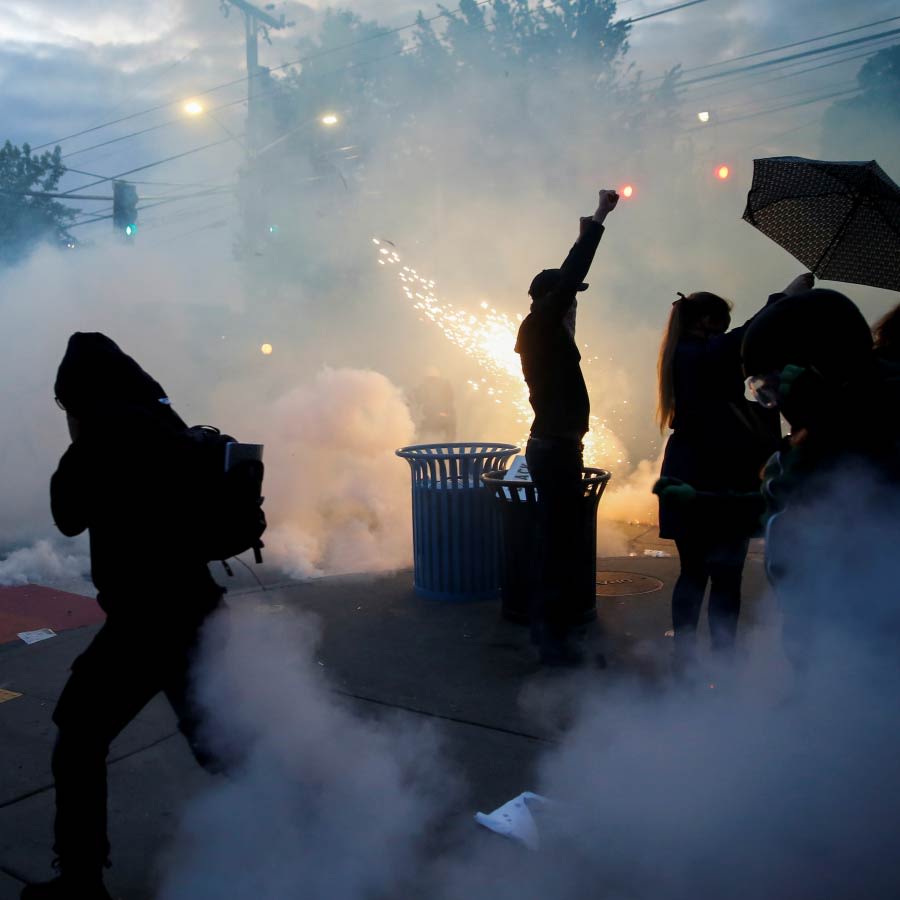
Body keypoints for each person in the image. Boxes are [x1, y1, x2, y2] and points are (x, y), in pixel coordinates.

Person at [23, 333, 225, 900]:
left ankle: (80, 883)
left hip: (145, 621)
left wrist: (79, 435)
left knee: (78, 741)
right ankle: (309, 832)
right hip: (197, 607)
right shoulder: (163, 421)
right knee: (221, 745)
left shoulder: (103, 431)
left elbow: (67, 513)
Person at [653, 274, 813, 662]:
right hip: (719, 472)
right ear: (706, 321)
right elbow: (743, 339)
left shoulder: (684, 355)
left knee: (694, 572)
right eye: (721, 324)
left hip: (690, 467)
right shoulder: (699, 355)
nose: (725, 332)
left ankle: (686, 658)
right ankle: (722, 659)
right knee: (725, 574)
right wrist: (783, 298)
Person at [514, 188, 619, 665]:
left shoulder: (545, 332)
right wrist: (599, 218)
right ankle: (552, 641)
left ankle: (552, 633)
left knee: (557, 543)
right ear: (548, 300)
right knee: (557, 547)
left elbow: (568, 283)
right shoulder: (539, 326)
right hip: (554, 450)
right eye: (569, 298)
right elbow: (572, 273)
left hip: (557, 448)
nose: (575, 304)